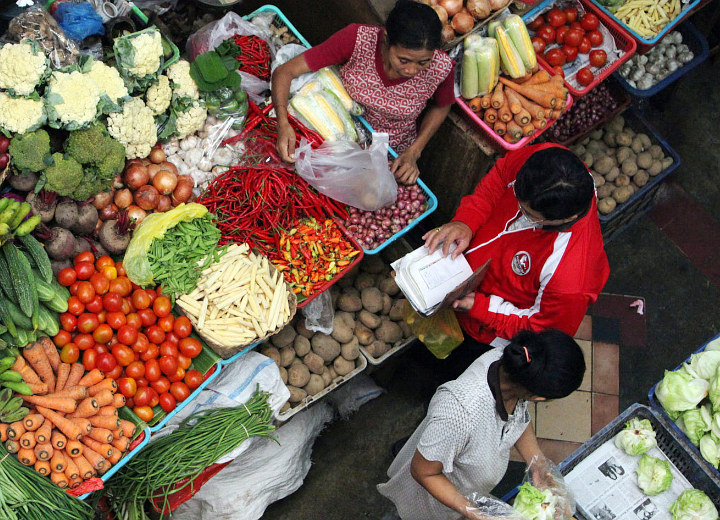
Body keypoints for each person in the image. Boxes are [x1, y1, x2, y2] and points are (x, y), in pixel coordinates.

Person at [422, 143, 609, 370]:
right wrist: (466, 221)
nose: (519, 210)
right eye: (517, 200)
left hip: (482, 330)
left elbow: (541, 330)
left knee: (446, 366)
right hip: (457, 278)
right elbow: (501, 177)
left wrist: (481, 308)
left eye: (528, 215)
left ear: (564, 218)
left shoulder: (571, 279)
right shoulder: (546, 164)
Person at [377, 329, 586, 520]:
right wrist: (477, 514)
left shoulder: (513, 367)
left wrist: (538, 464)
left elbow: (517, 419)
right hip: (429, 502)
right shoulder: (458, 412)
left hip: (464, 494)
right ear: (539, 397)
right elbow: (423, 471)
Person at [271, 0, 455, 184]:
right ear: (386, 38)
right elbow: (285, 72)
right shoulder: (357, 39)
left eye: (423, 62)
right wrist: (283, 123)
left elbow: (443, 105)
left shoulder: (440, 68)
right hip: (332, 133)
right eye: (404, 60)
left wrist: (414, 151)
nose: (412, 70)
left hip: (392, 153)